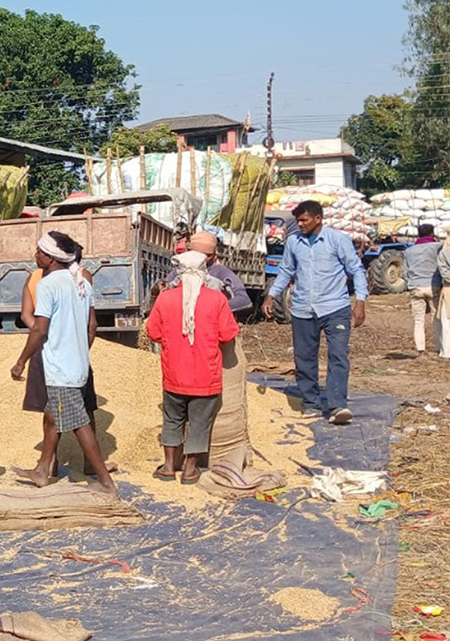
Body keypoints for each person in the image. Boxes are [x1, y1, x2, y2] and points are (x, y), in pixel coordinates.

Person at [10, 231, 116, 497]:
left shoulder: (48, 285)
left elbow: (39, 329)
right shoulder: (81, 282)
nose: (35, 255)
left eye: (38, 251)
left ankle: (105, 482)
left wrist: (21, 361)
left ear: (49, 258)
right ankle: (43, 470)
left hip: (60, 367)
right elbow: (91, 324)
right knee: (53, 416)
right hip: (77, 362)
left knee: (78, 423)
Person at [262, 200, 368, 424]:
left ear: (318, 219)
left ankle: (337, 405)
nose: (300, 224)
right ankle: (310, 402)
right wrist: (271, 295)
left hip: (335, 307)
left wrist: (360, 301)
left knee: (338, 355)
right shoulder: (293, 242)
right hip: (302, 309)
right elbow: (286, 271)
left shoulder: (337, 240)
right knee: (304, 358)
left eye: (304, 220)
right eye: (298, 220)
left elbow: (356, 270)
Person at [146, 251, 240, 484]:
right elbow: (228, 333)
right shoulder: (216, 299)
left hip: (174, 373)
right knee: (199, 422)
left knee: (172, 418)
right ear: (203, 272)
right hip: (205, 375)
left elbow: (153, 332)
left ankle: (168, 467)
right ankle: (190, 470)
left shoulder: (165, 299)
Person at [155, 231, 253, 314]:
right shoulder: (179, 271)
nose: (200, 259)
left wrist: (212, 310)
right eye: (197, 255)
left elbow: (243, 300)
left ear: (215, 255)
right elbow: (163, 295)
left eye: (206, 256)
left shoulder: (221, 273)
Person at [404, 224, 444, 355]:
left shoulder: (409, 251)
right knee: (436, 318)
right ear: (432, 233)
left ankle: (421, 349)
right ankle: (439, 347)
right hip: (433, 285)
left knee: (418, 320)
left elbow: (405, 272)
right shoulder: (438, 247)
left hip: (416, 286)